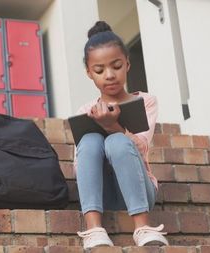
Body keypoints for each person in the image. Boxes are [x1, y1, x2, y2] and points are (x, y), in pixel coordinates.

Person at [74, 21, 169, 249]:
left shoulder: (145, 101)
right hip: (103, 195)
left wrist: (113, 127)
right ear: (89, 73)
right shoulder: (85, 111)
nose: (109, 75)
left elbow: (141, 147)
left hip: (138, 190)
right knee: (89, 141)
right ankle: (94, 228)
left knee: (117, 141)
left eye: (116, 66)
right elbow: (80, 168)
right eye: (99, 70)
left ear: (127, 64)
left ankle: (143, 228)